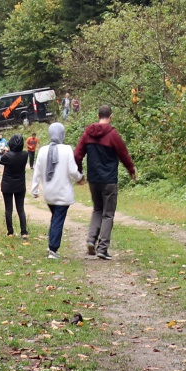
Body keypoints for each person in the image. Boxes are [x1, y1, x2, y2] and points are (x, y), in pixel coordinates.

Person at [73, 104, 136, 260]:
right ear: (111, 116)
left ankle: (90, 239)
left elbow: (77, 155)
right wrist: (131, 170)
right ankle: (102, 248)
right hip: (109, 180)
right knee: (108, 214)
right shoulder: (112, 135)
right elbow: (123, 154)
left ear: (97, 116)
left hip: (94, 179)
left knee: (97, 209)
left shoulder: (87, 134)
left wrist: (79, 173)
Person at [30, 122, 82, 260]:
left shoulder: (43, 150)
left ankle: (51, 244)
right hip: (63, 192)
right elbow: (72, 170)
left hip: (49, 192)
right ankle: (53, 249)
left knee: (55, 218)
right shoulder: (66, 149)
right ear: (62, 134)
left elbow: (37, 172)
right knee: (58, 219)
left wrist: (34, 189)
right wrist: (79, 178)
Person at [0, 133, 31, 238]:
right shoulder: (25, 155)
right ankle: (24, 232)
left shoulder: (7, 156)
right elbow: (15, 155)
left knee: (9, 209)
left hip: (7, 185)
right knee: (20, 208)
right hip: (20, 185)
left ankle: (10, 232)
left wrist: (0, 151)